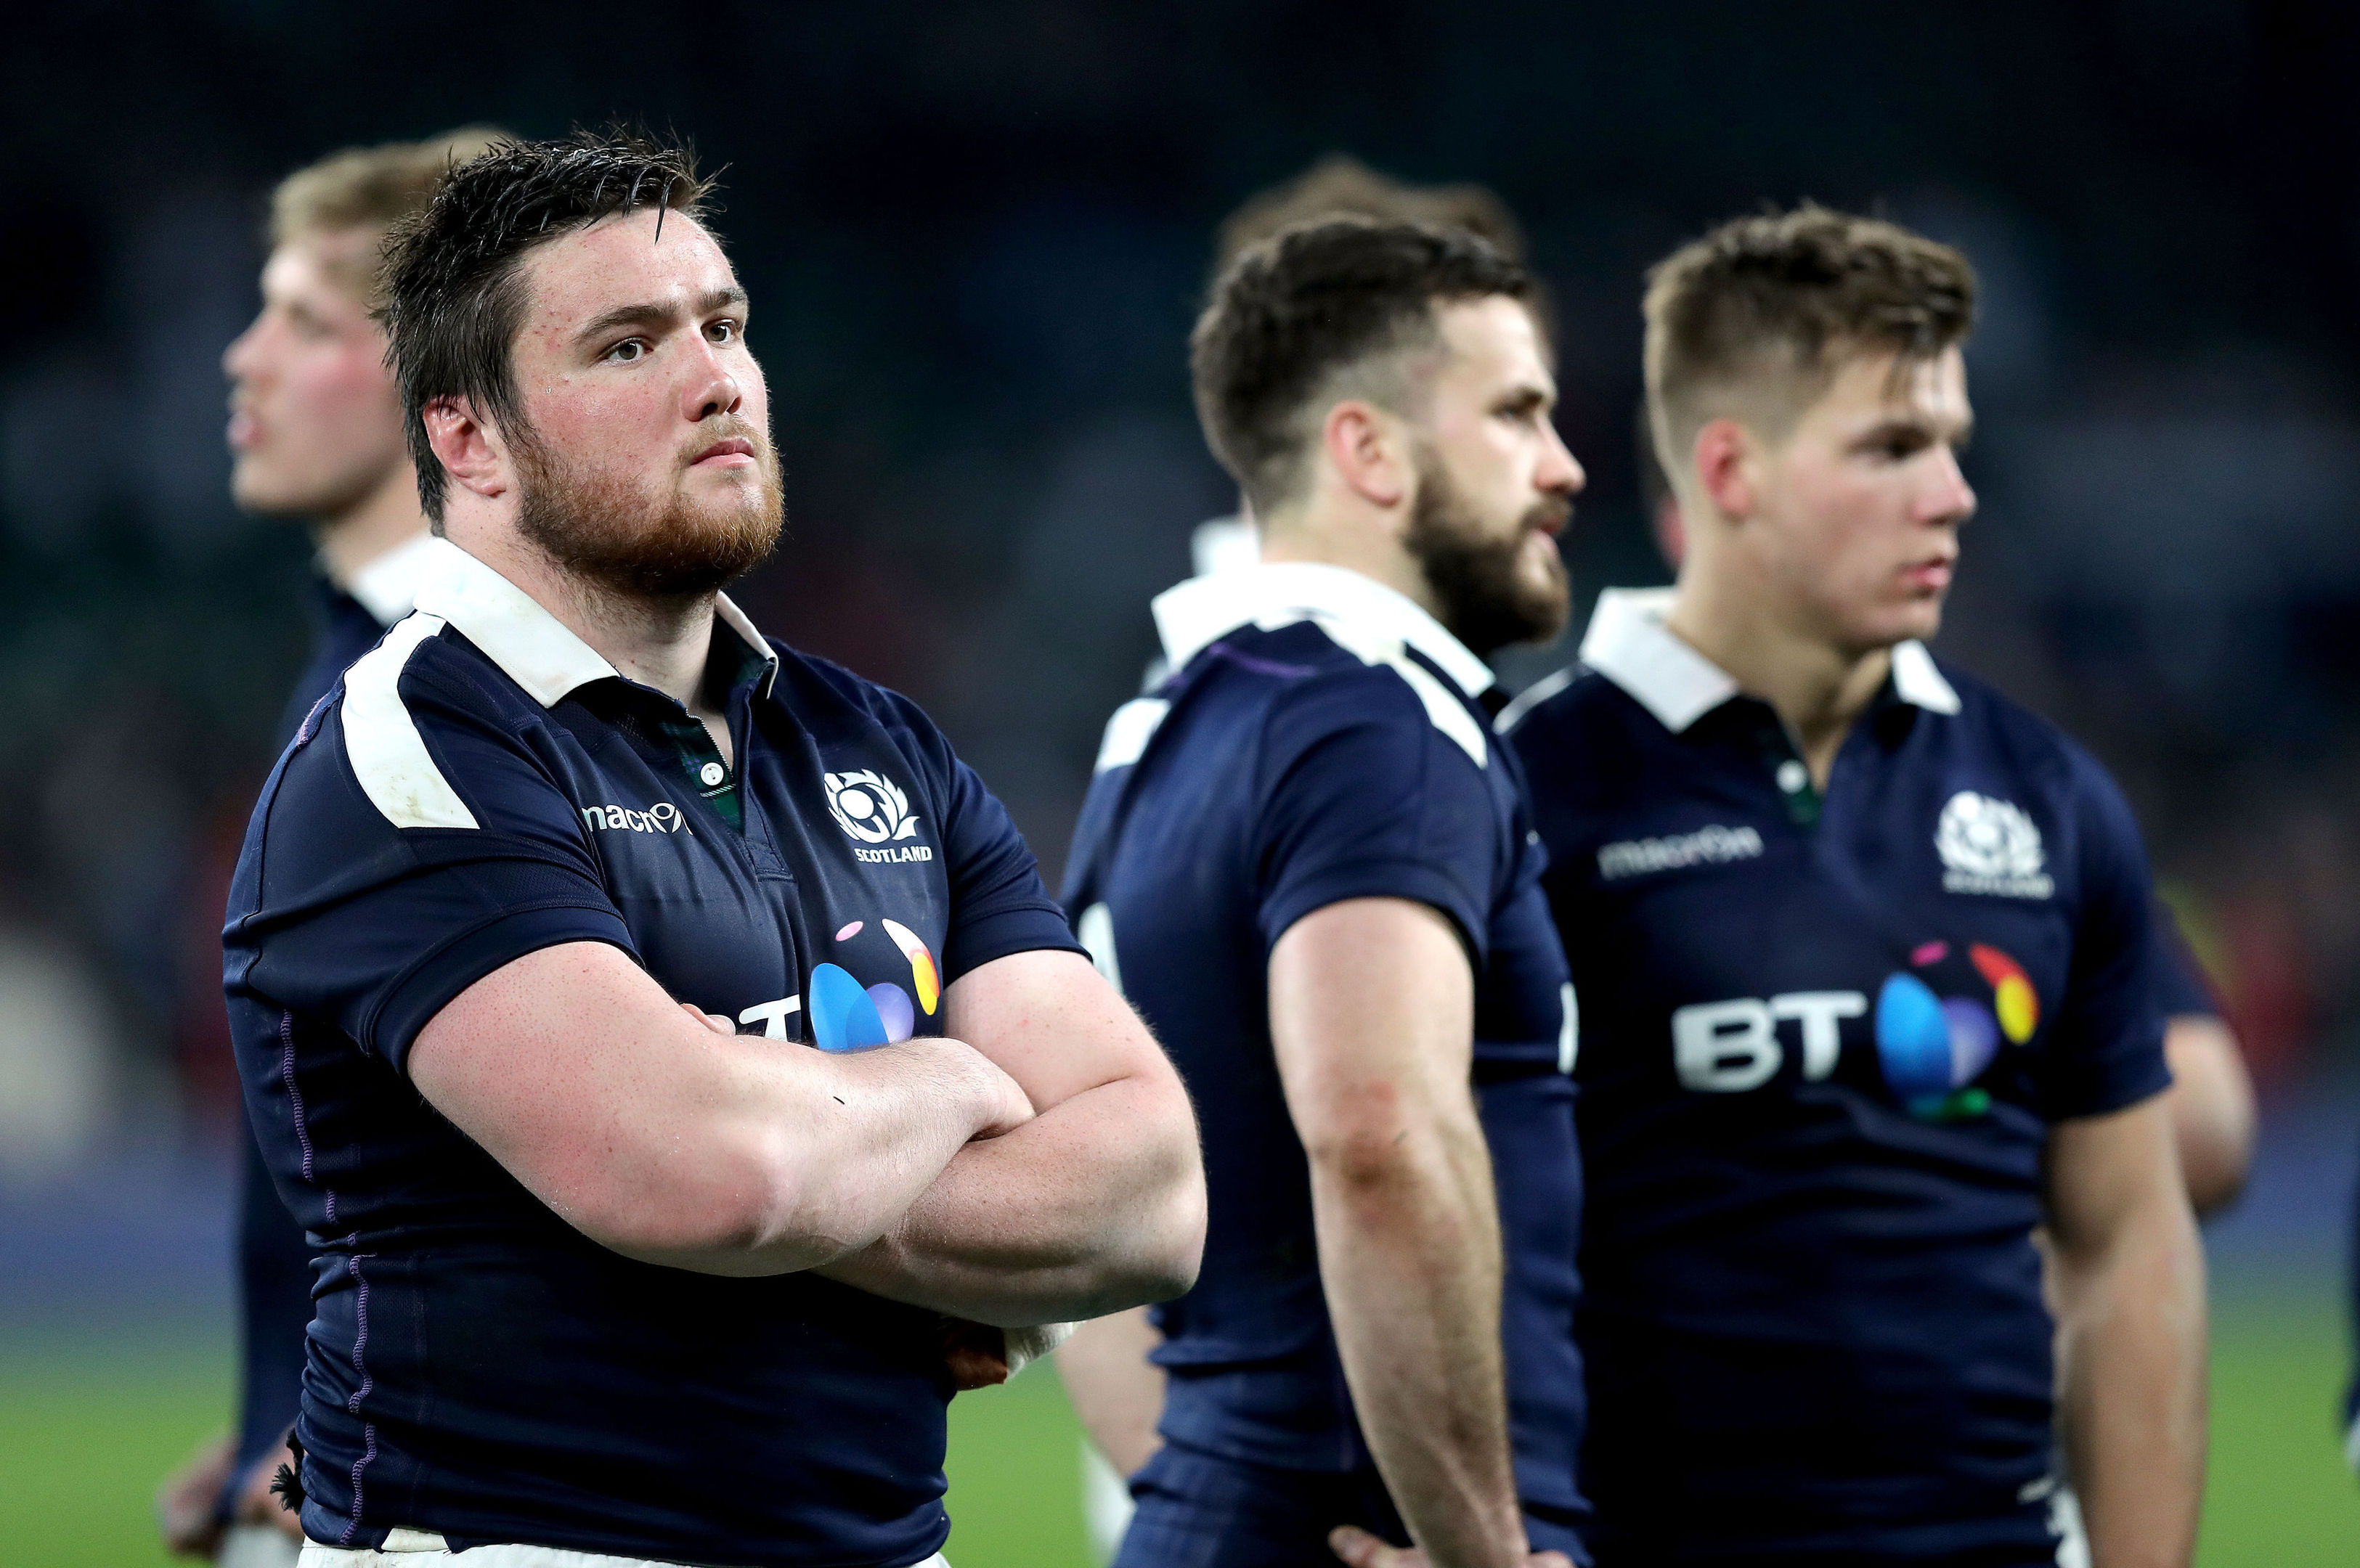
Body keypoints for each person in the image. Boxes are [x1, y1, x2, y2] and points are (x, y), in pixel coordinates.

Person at [221, 129, 1205, 1567]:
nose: (716, 378)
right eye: (626, 347)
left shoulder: (879, 742)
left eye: (724, 325)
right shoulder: (405, 755)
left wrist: (788, 1153)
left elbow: (1155, 1192)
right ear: (465, 437)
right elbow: (707, 1176)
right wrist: (951, 1079)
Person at [1503, 205, 2206, 1566]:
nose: (1951, 493)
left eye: (1950, 442)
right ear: (1730, 468)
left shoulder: (2049, 797)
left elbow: (2128, 1246)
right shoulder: (1525, 795)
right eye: (1891, 448)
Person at [1062, 217, 1588, 1568]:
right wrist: (1478, 1547)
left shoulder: (1169, 730)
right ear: (1370, 450)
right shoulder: (1379, 729)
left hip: (1221, 1513)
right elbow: (1378, 1131)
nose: (1562, 467)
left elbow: (1091, 1224)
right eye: (1516, 414)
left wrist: (1203, 1489)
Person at [1632, 409, 2256, 1221]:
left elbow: (2209, 1123)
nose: (1942, 500)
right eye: (1876, 460)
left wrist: (1939, 1130)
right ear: (1710, 505)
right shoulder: (1561, 785)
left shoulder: (2019, 785)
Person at [156, 126, 499, 1568]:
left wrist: (350, 1413)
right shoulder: (367, 663)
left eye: (302, 320)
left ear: (434, 380)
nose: (242, 358)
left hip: (426, 1491)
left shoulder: (468, 694)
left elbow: (565, 1121)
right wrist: (267, 1406)